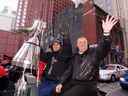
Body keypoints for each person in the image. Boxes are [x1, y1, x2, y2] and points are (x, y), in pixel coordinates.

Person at [55, 15, 118, 96]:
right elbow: (68, 72)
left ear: (87, 44)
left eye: (84, 42)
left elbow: (104, 48)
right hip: (73, 82)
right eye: (80, 42)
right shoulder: (75, 56)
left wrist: (106, 34)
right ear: (77, 45)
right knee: (55, 91)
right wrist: (61, 83)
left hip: (87, 84)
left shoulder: (94, 53)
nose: (82, 44)